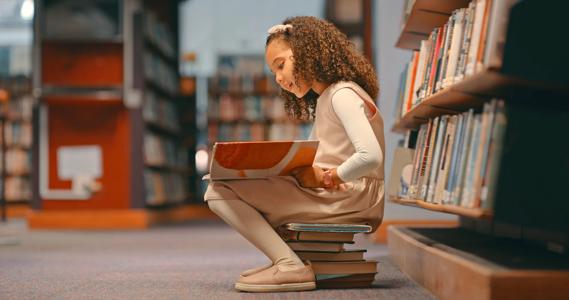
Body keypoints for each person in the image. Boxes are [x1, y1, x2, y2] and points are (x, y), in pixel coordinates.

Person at [204, 16, 385, 293]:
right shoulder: (330, 96)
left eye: (281, 65)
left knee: (219, 191)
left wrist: (329, 177)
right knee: (225, 185)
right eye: (273, 73)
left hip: (349, 193)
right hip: (342, 189)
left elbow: (371, 156)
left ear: (307, 52)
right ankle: (288, 260)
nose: (279, 78)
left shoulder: (342, 95)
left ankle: (288, 264)